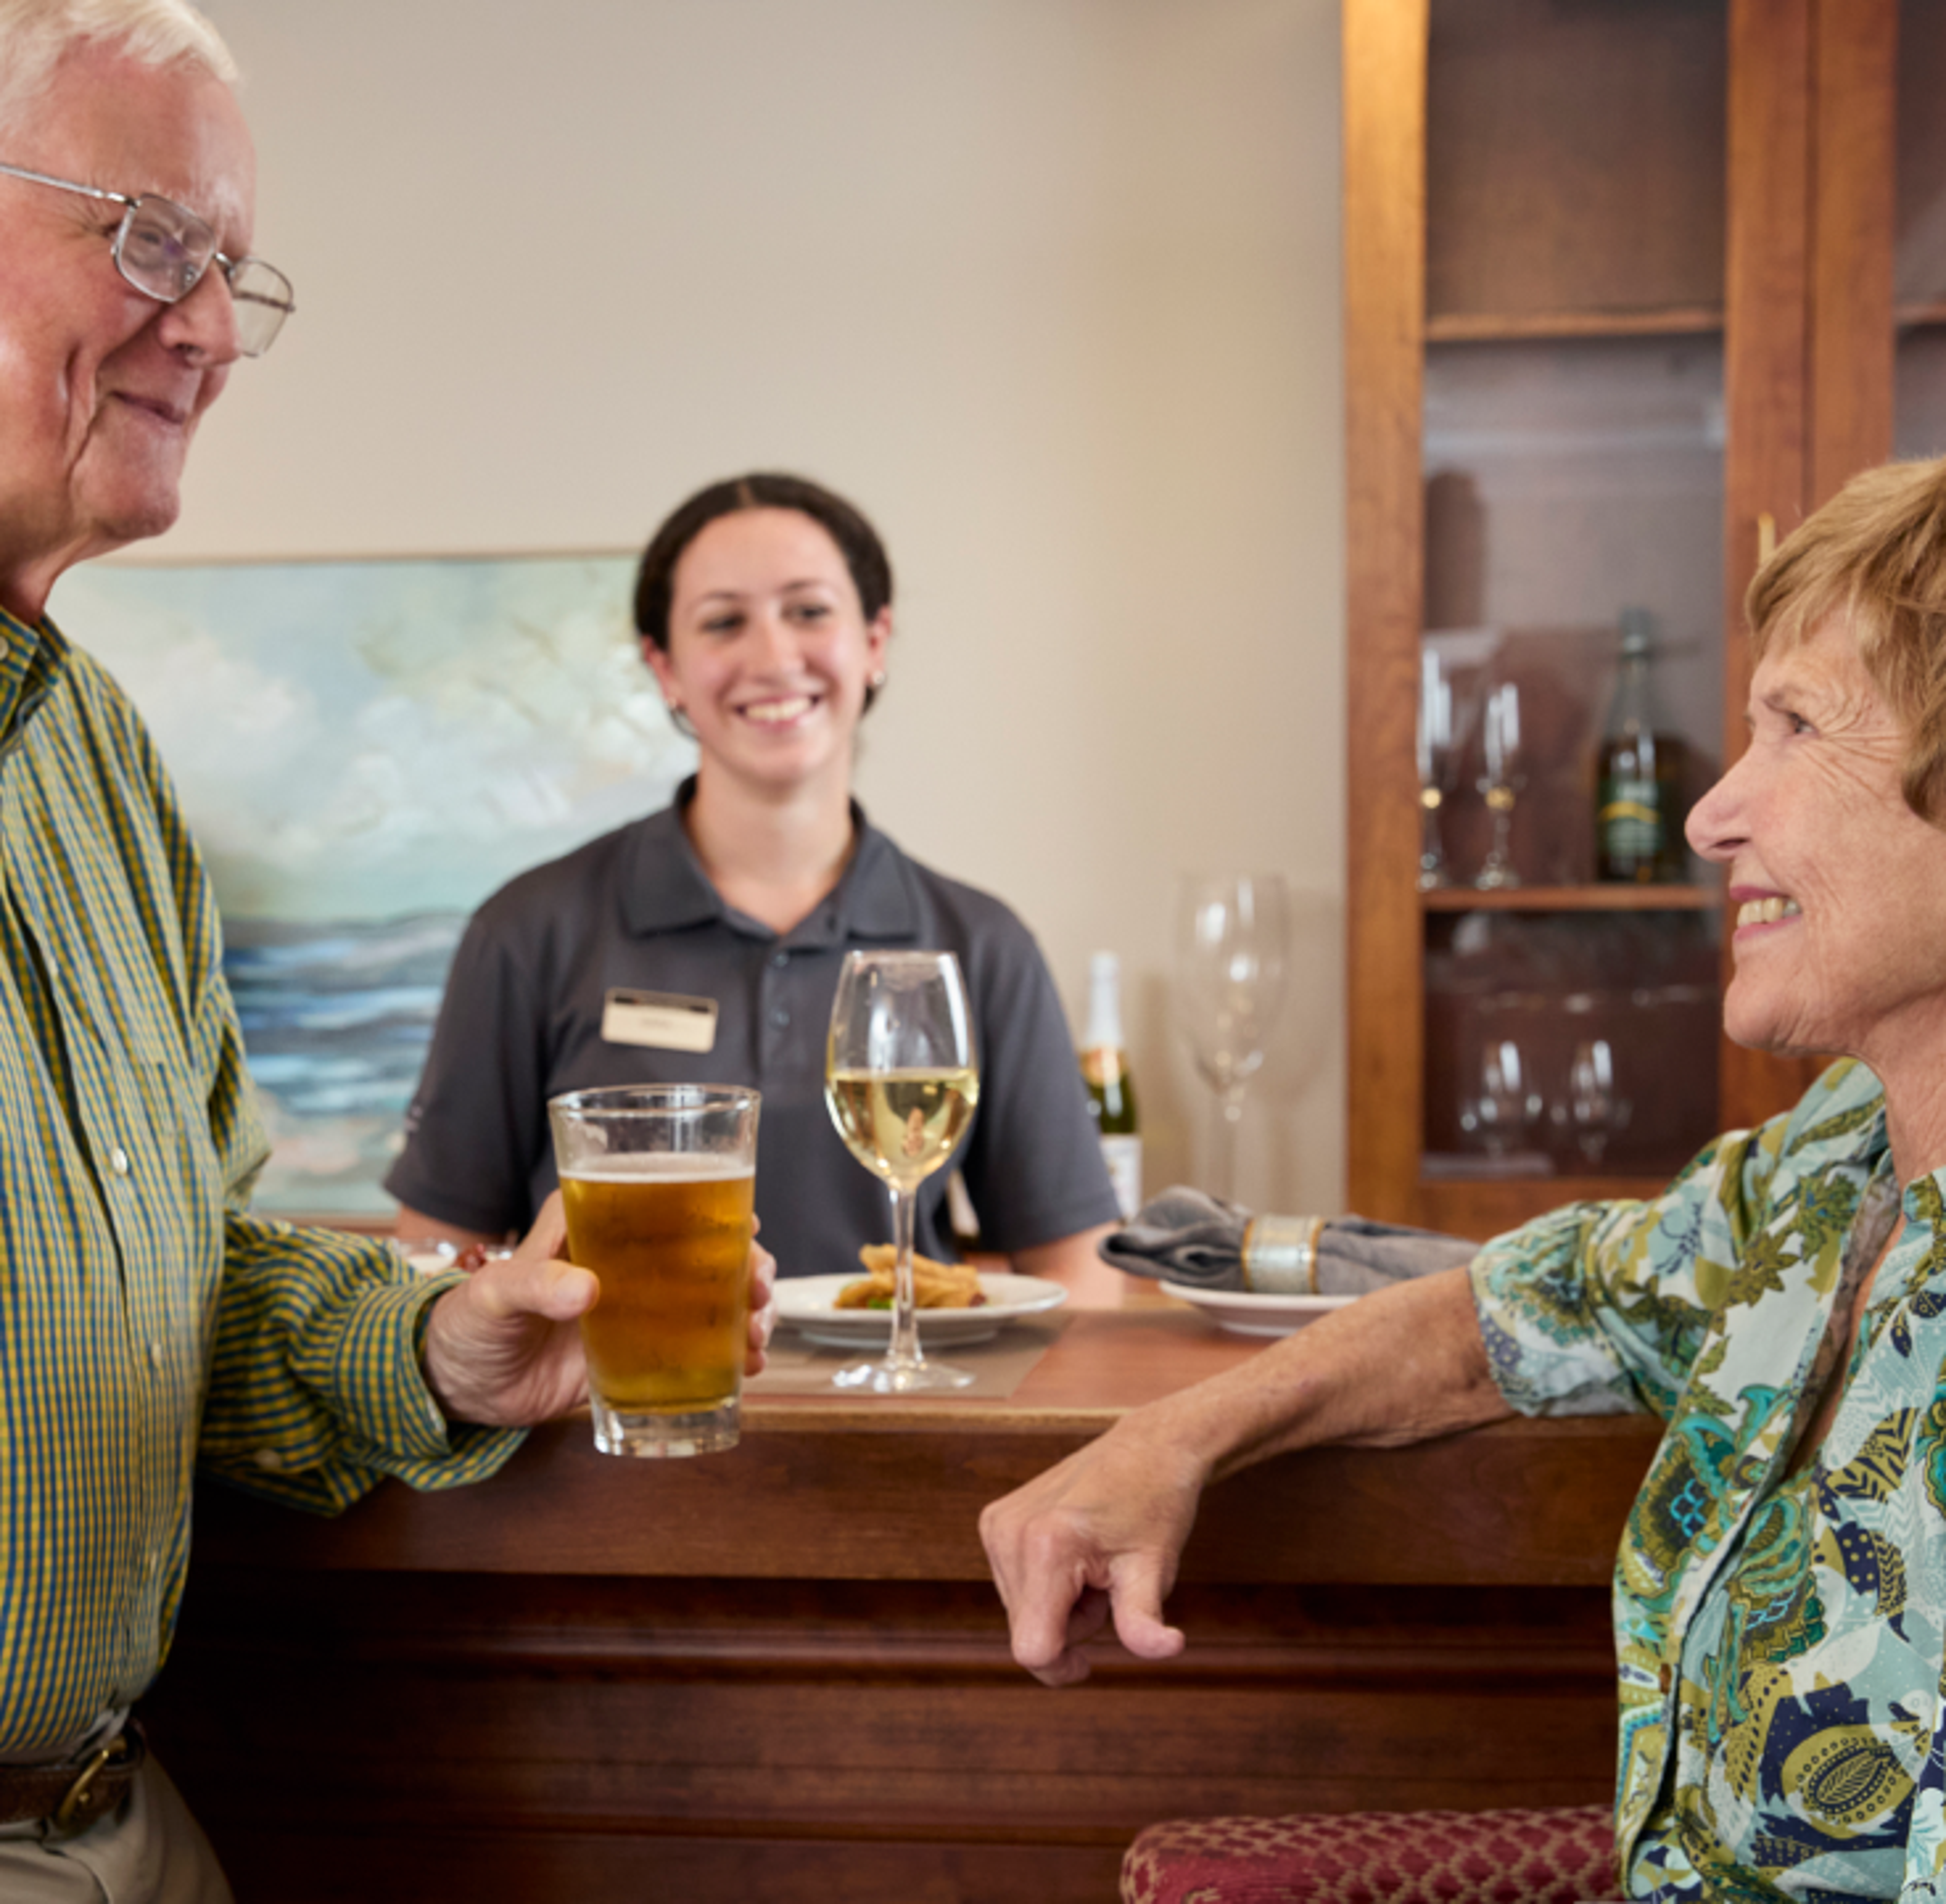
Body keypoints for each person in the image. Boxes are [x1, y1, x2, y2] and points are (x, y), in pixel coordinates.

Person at [0, 6, 773, 1896]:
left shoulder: (98, 758)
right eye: (150, 237)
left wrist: (449, 1340)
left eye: (229, 271)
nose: (202, 327)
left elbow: (202, 1280)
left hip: (112, 1812)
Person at [982, 455, 1946, 1900]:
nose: (1710, 811)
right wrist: (1175, 1436)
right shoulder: (1826, 1166)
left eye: (1798, 726)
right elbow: (1504, 1308)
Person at [386, 472, 1122, 1282]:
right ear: (664, 668)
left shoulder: (981, 945)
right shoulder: (529, 930)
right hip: (612, 1408)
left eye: (809, 611)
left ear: (875, 641)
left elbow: (1078, 1278)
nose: (773, 657)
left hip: (907, 1410)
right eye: (724, 622)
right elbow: (433, 1267)